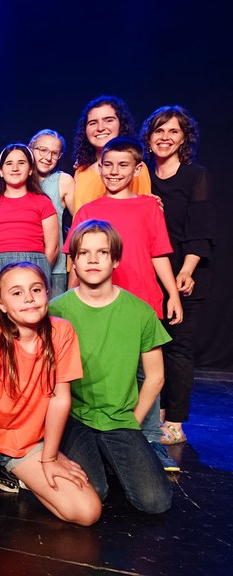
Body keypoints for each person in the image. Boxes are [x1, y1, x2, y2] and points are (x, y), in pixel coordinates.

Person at [0, 263, 101, 527]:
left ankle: (12, 471)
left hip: (24, 442)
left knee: (87, 512)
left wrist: (49, 457)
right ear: (0, 304)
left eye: (35, 289)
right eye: (16, 293)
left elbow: (60, 399)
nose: (28, 298)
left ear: (47, 293)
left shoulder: (62, 332)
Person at [67, 137, 182, 471]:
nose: (114, 171)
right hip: (98, 307)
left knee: (146, 375)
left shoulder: (149, 206)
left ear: (137, 168)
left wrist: (173, 293)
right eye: (108, 165)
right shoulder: (88, 210)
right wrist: (69, 301)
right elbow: (76, 259)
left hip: (143, 302)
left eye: (123, 165)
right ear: (99, 167)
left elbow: (158, 253)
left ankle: (150, 441)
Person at [50, 221, 173, 514]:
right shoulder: (55, 310)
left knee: (155, 502)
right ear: (73, 261)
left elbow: (156, 376)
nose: (93, 259)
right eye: (84, 253)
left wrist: (133, 421)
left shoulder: (140, 311)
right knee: (95, 491)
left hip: (120, 418)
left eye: (102, 252)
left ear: (115, 259)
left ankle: (109, 454)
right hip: (74, 417)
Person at [141, 105, 215, 445]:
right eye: (159, 130)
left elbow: (200, 230)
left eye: (173, 131)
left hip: (186, 271)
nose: (165, 137)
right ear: (149, 137)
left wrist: (186, 270)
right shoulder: (143, 176)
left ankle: (174, 423)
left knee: (178, 349)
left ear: (184, 138)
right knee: (151, 347)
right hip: (148, 272)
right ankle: (155, 415)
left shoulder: (195, 175)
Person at [0, 143, 58, 320]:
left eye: (21, 163)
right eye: (9, 163)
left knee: (33, 319)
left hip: (34, 264)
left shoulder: (43, 202)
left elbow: (52, 247)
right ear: (0, 171)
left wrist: (39, 270)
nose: (15, 168)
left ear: (30, 169)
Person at [72, 95, 152, 214]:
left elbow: (145, 213)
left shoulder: (136, 169)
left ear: (121, 124)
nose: (100, 128)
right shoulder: (81, 172)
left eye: (108, 120)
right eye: (93, 123)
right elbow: (79, 217)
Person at [29, 130, 75, 297]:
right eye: (43, 150)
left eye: (54, 153)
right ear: (30, 148)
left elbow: (80, 221)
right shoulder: (17, 179)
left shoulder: (63, 181)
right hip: (18, 265)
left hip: (54, 270)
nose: (48, 157)